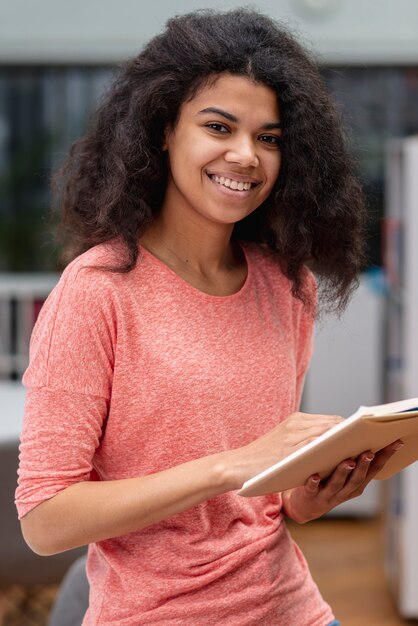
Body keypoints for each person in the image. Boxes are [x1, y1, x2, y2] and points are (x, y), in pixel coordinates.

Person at [16, 8, 402, 626]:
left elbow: (267, 497)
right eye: (219, 126)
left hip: (293, 609)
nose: (246, 156)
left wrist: (310, 491)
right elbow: (44, 519)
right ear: (164, 130)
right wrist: (231, 464)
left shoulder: (286, 286)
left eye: (269, 137)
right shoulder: (97, 291)